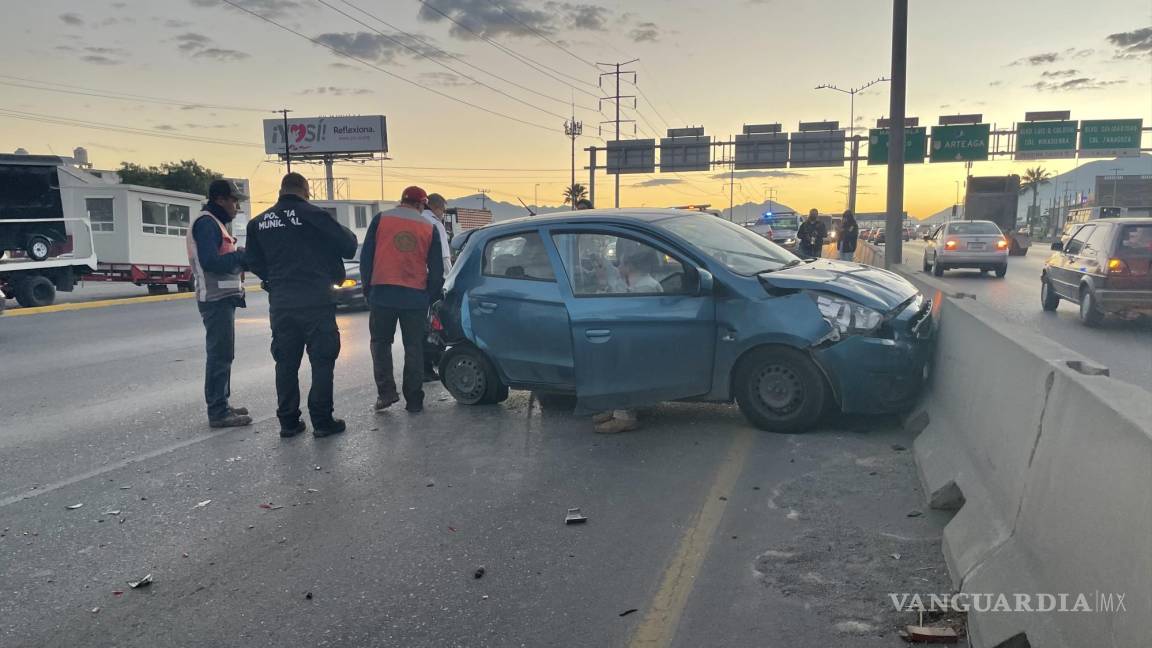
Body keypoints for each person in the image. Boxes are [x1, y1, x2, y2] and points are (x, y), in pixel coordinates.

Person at [246, 173, 358, 438]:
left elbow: (254, 262)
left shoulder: (258, 223)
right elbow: (349, 246)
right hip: (316, 301)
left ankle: (288, 422)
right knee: (322, 360)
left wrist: (273, 280)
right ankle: (321, 421)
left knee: (285, 363)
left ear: (281, 190)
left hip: (282, 303)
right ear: (305, 191)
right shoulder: (315, 215)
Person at [361, 186, 445, 414]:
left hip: (383, 293)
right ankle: (414, 400)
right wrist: (430, 296)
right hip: (414, 296)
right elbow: (436, 269)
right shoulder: (429, 227)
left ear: (402, 201)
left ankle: (386, 393)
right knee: (414, 347)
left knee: (380, 344)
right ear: (421, 205)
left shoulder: (381, 219)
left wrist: (369, 290)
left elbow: (366, 258)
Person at [188, 179, 251, 428]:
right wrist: (240, 256)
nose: (236, 206)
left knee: (225, 353)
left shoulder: (217, 224)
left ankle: (222, 402)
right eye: (234, 200)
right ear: (220, 199)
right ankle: (218, 410)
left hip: (222, 297)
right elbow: (211, 262)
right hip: (214, 299)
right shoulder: (207, 224)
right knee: (219, 354)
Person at [592, 247, 664, 435]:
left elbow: (625, 304)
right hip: (634, 337)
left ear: (631, 267)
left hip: (639, 341)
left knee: (622, 373)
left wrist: (607, 281)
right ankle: (617, 407)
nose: (619, 267)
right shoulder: (638, 283)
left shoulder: (645, 286)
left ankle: (624, 416)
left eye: (622, 264)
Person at [421, 193, 453, 381]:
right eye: (443, 210)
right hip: (434, 281)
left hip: (415, 282)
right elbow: (444, 258)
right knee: (435, 325)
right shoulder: (435, 224)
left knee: (420, 326)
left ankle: (422, 367)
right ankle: (435, 362)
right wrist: (449, 280)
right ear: (437, 207)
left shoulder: (416, 220)